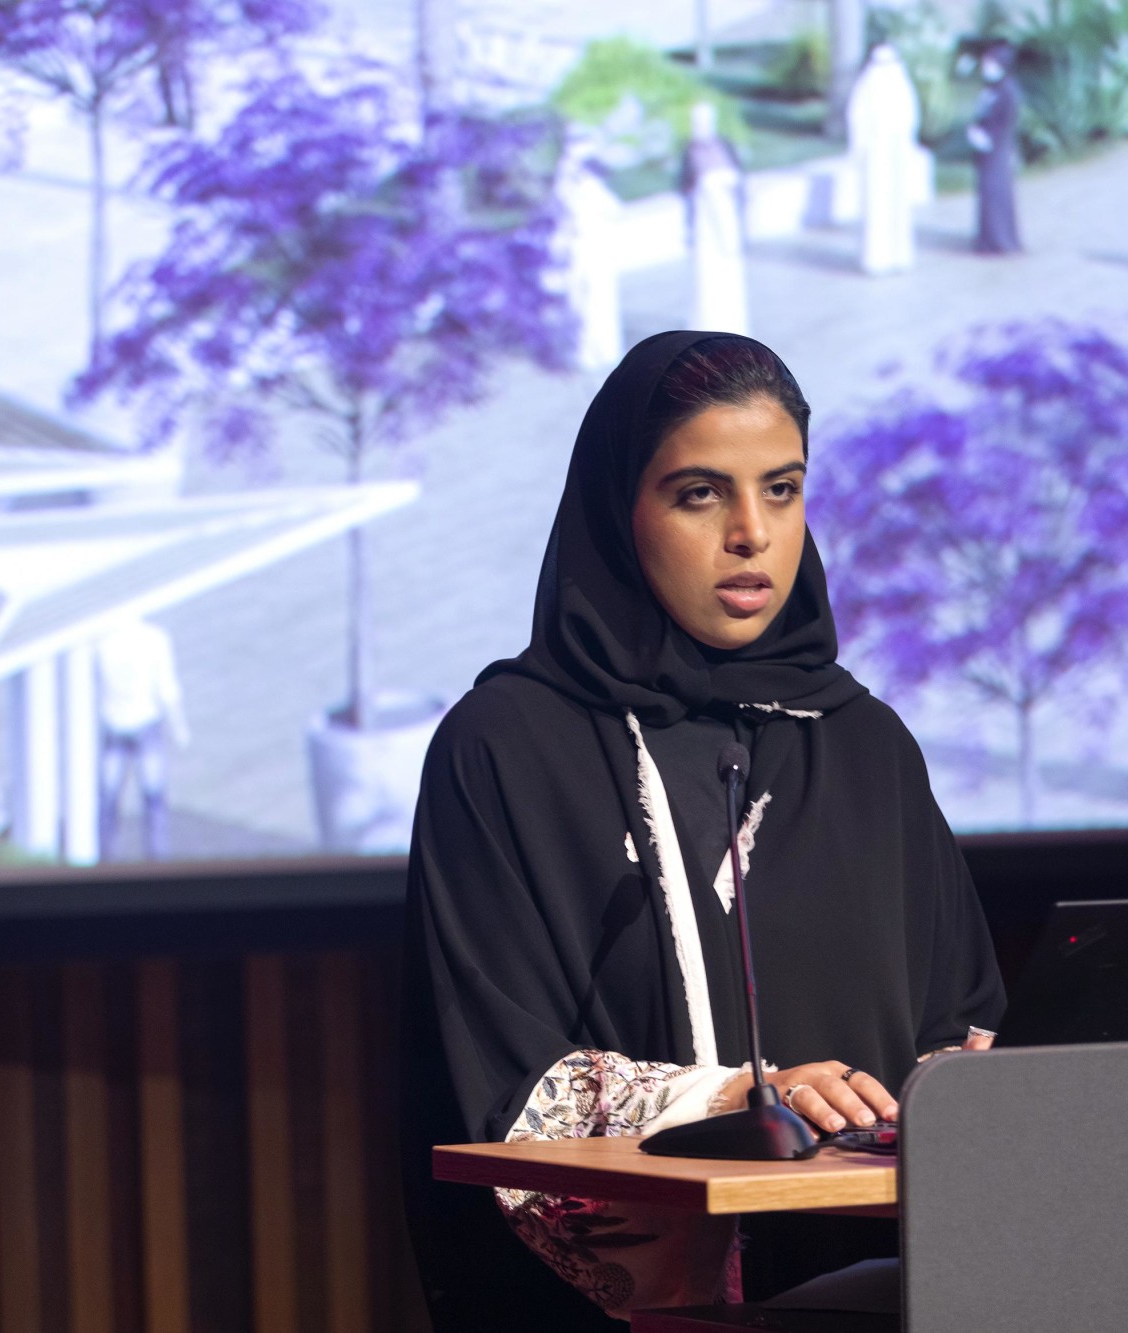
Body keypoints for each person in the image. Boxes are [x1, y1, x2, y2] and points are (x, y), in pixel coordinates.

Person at [401, 332, 1005, 1330]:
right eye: (698, 494)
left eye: (780, 489)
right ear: (617, 510)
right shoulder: (506, 748)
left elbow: (963, 1024)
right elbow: (504, 1086)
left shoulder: (860, 743)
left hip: (890, 1290)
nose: (749, 533)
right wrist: (741, 1101)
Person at [94, 617, 190, 860]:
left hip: (118, 725)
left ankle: (106, 860)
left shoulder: (101, 642)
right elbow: (167, 687)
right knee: (153, 800)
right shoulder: (155, 639)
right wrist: (179, 727)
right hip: (139, 724)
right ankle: (157, 862)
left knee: (109, 801)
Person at [554, 128, 627, 371]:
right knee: (585, 297)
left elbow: (613, 208)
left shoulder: (586, 177)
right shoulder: (569, 177)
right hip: (581, 246)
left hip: (594, 245)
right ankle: (590, 350)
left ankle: (601, 349)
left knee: (598, 297)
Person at [846, 44, 921, 275]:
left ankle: (899, 256)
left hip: (897, 154)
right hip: (876, 155)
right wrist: (860, 147)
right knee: (876, 205)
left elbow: (910, 117)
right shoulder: (867, 84)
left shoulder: (900, 83)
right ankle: (876, 259)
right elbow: (856, 118)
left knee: (898, 205)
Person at [682, 104, 751, 335]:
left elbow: (738, 180)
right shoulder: (691, 152)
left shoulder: (724, 146)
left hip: (728, 220)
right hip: (706, 227)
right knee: (708, 278)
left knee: (729, 275)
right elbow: (687, 187)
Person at [966, 42, 1022, 255]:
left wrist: (987, 137)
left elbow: (1006, 120)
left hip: (997, 149)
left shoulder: (1008, 90)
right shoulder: (990, 88)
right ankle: (987, 237)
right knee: (986, 194)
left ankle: (1001, 239)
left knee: (996, 192)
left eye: (990, 63)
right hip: (986, 151)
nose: (985, 68)